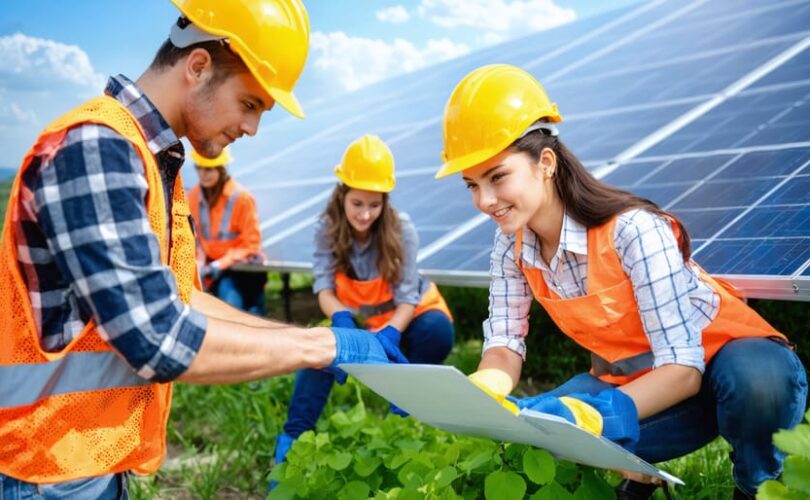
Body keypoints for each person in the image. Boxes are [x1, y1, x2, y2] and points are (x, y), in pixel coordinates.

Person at [0, 2, 404, 497]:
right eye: (250, 104)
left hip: (85, 459)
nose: (252, 129)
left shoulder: (151, 161)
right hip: (42, 467)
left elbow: (184, 299)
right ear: (198, 67)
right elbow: (160, 338)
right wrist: (325, 346)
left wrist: (311, 338)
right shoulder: (96, 149)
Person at [435, 64, 807, 500]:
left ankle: (755, 486)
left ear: (546, 163)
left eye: (498, 177)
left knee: (759, 383)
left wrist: (597, 416)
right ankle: (635, 473)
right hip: (641, 380)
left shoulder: (633, 230)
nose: (485, 201)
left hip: (715, 368)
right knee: (543, 425)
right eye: (472, 185)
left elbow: (685, 371)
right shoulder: (510, 247)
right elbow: (504, 342)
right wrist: (486, 389)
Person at [273, 134, 456, 470]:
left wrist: (390, 334)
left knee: (437, 331)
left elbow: (407, 298)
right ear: (342, 194)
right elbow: (324, 288)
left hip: (410, 318)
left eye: (375, 204)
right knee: (319, 353)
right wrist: (340, 318)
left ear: (385, 200)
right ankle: (293, 443)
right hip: (359, 321)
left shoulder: (402, 230)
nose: (366, 214)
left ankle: (401, 422)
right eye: (357, 203)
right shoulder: (326, 230)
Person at [188, 146, 267, 315]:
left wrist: (220, 263)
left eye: (208, 169)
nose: (203, 174)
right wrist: (199, 261)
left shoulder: (242, 198)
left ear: (221, 169)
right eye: (199, 168)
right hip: (210, 271)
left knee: (237, 311)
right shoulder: (192, 196)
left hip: (241, 271)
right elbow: (193, 237)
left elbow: (252, 244)